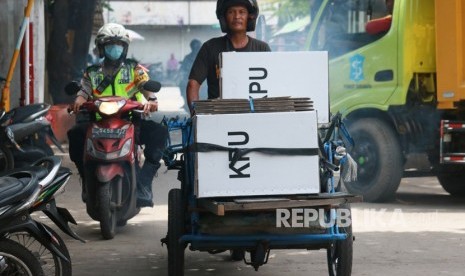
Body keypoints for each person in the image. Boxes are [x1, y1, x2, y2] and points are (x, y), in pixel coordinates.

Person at [67, 23, 168, 208]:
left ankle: (144, 183)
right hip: (98, 123)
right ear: (101, 47)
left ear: (125, 47)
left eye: (119, 44)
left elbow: (146, 87)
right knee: (75, 135)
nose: (115, 48)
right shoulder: (92, 73)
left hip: (131, 121)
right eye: (110, 44)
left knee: (160, 133)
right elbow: (84, 90)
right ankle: (85, 178)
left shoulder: (134, 69)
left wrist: (151, 100)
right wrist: (79, 100)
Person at [186, 0, 271, 114]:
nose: (237, 16)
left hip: (223, 119)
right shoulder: (210, 48)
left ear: (250, 17)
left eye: (242, 12)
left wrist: (196, 118)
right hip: (233, 117)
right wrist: (196, 116)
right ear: (224, 17)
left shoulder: (263, 49)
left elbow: (193, 84)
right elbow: (193, 84)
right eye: (231, 12)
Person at [179, 39, 203, 111]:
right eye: (194, 47)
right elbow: (182, 69)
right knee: (182, 84)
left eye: (197, 46)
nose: (196, 48)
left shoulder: (204, 56)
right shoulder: (188, 57)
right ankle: (186, 102)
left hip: (203, 79)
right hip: (189, 78)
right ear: (192, 47)